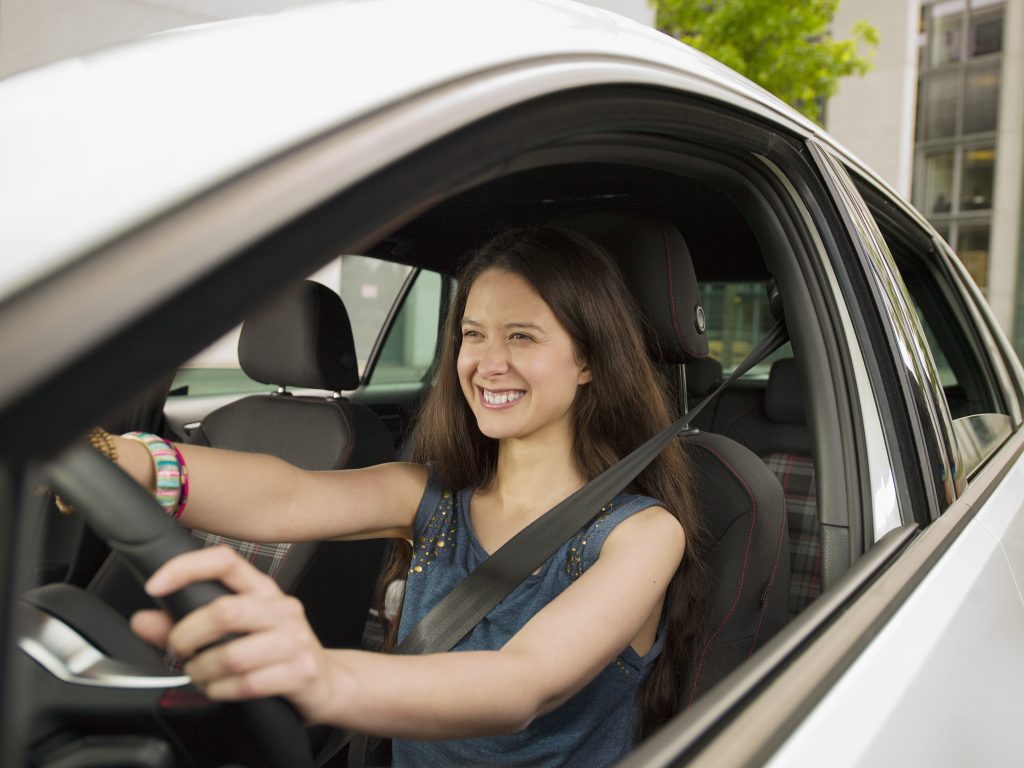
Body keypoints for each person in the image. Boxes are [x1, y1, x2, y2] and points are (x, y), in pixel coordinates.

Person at [112, 227, 707, 766]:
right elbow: (286, 499)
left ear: (588, 361)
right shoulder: (430, 496)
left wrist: (318, 676)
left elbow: (523, 683)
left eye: (522, 337)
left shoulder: (641, 535)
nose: (487, 363)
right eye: (473, 335)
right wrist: (130, 461)